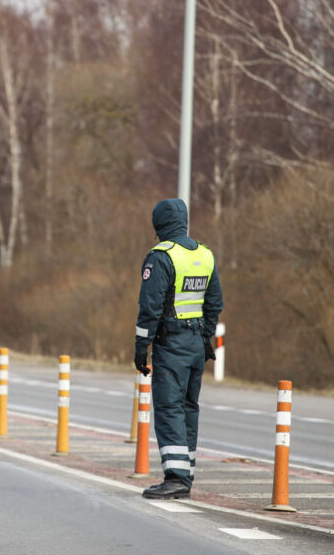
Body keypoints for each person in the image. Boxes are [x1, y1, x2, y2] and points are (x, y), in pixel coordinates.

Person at [134, 198, 223, 499]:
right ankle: (186, 472)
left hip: (171, 343)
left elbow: (150, 307)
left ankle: (175, 477)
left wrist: (141, 345)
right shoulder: (205, 255)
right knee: (188, 408)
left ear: (158, 225)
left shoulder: (161, 257)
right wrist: (206, 337)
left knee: (169, 407)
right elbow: (214, 303)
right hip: (196, 343)